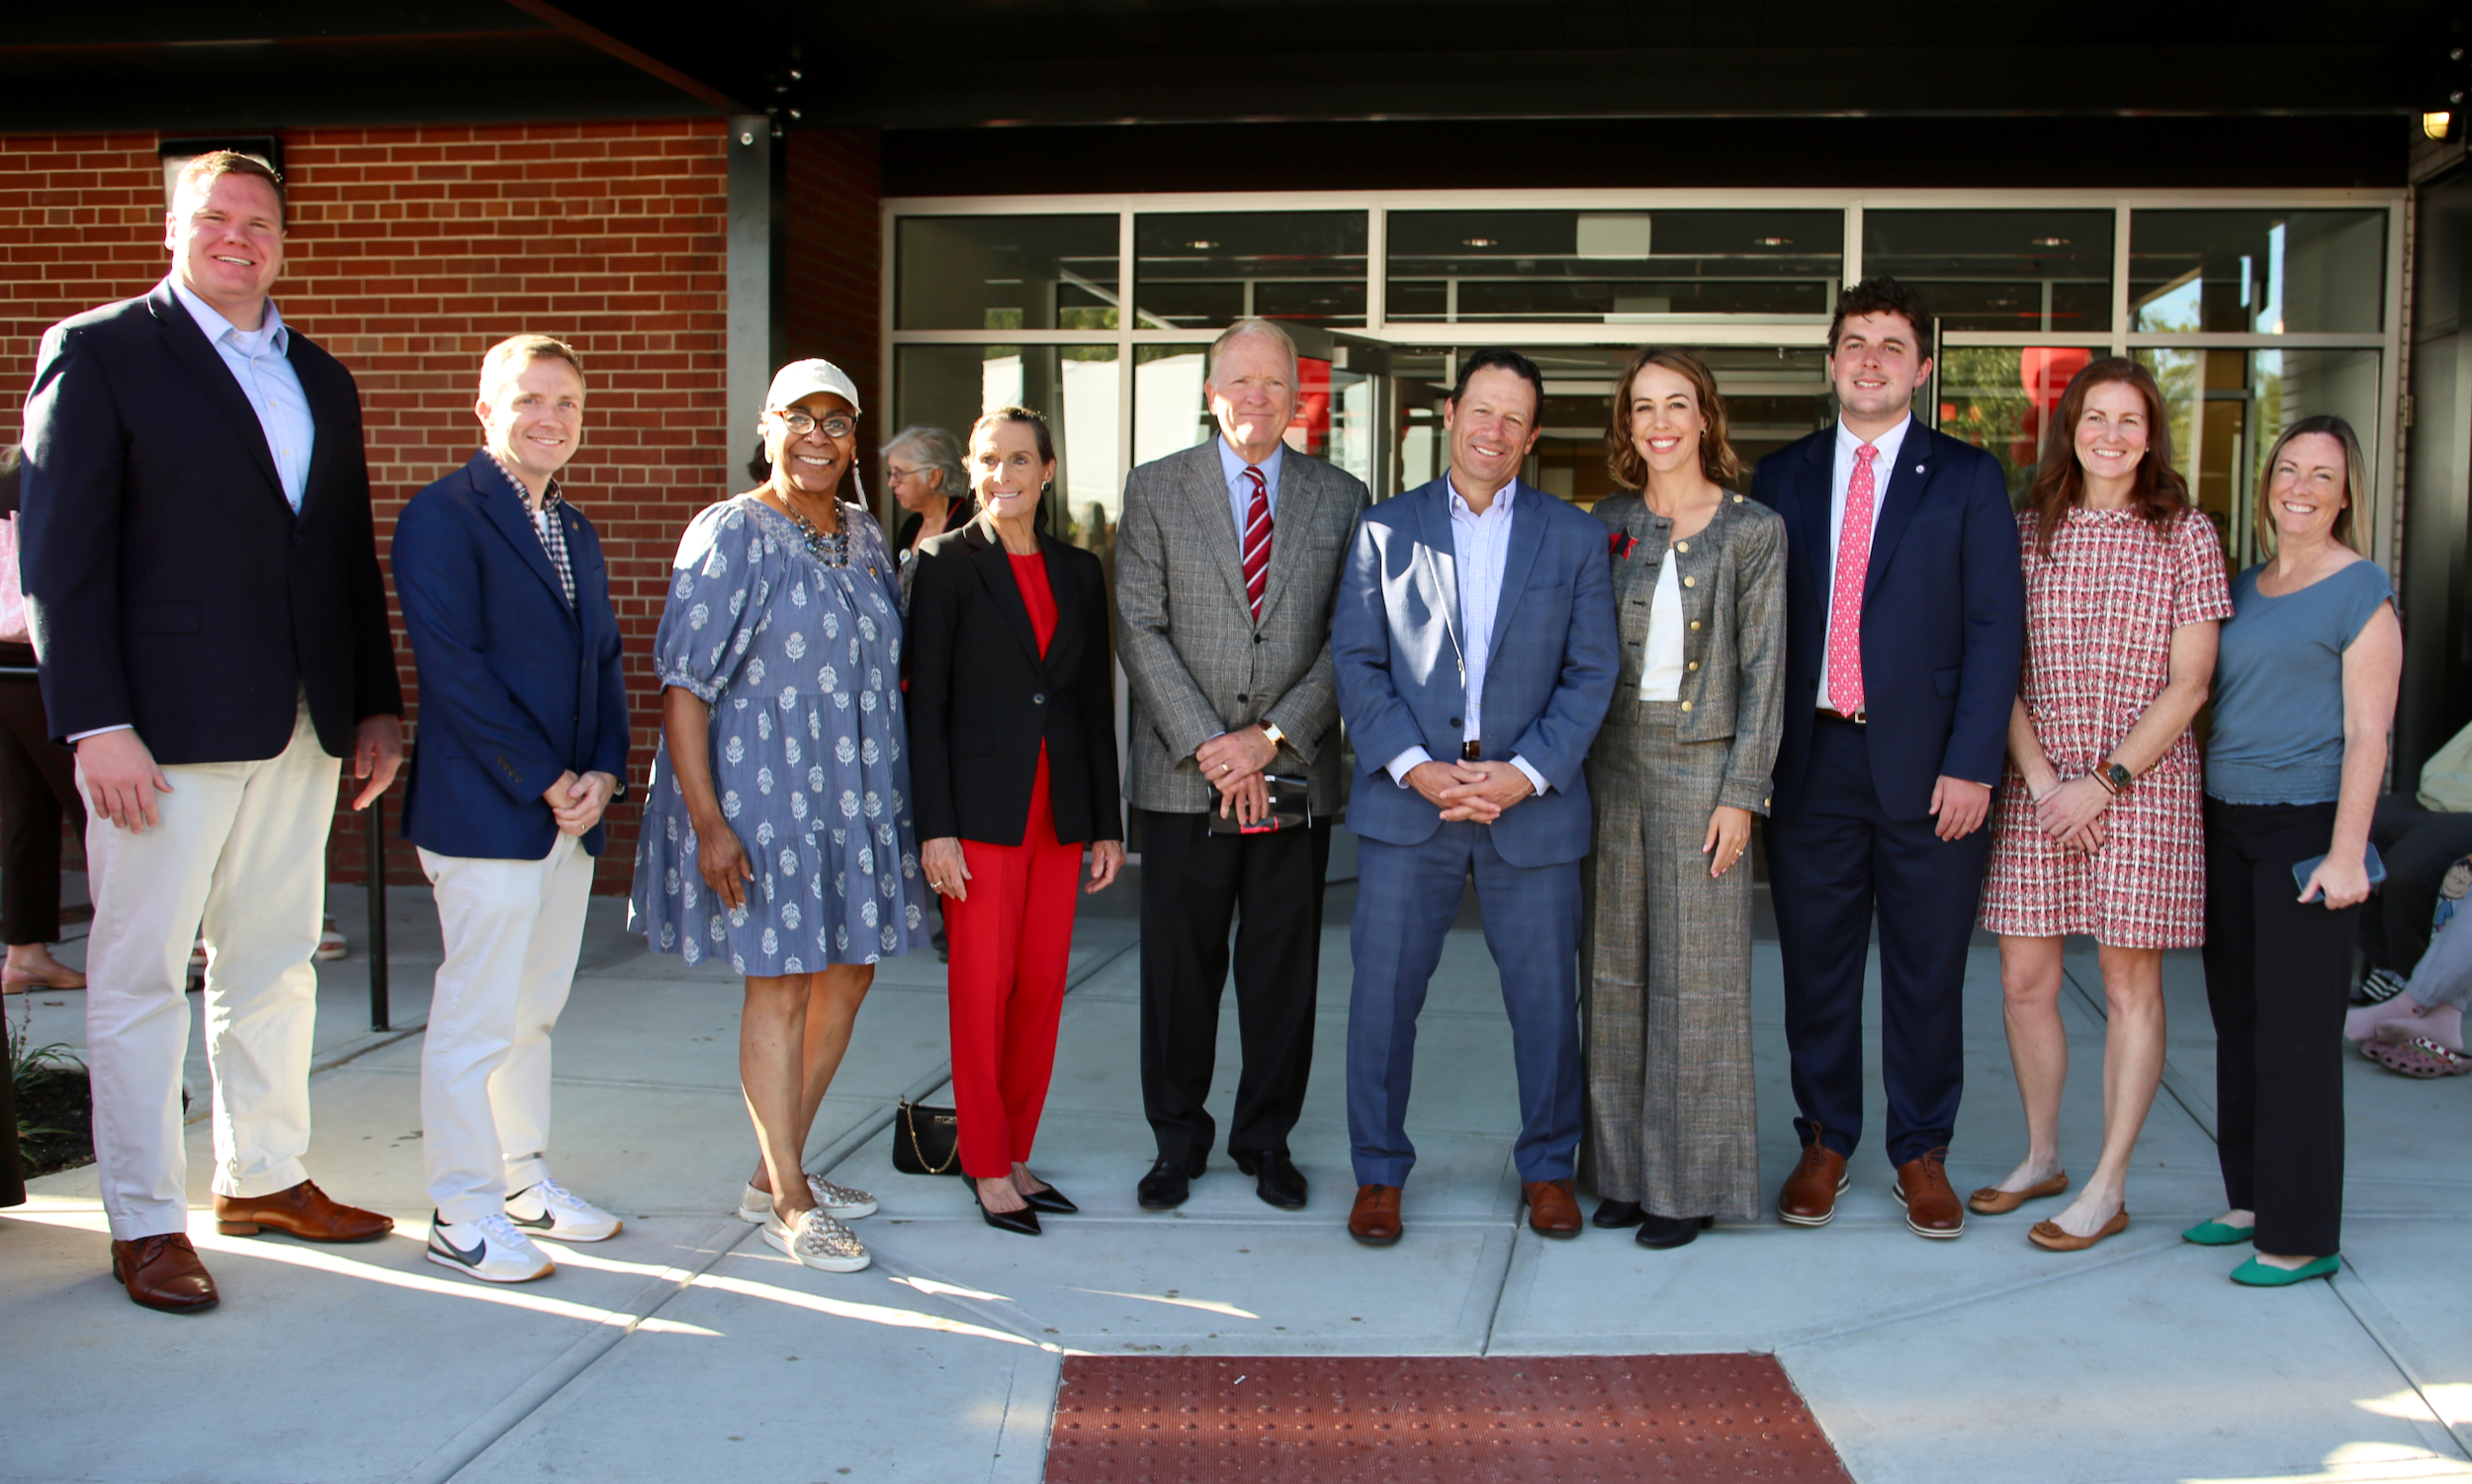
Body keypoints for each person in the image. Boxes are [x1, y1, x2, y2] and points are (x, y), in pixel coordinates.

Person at [20, 150, 405, 1314]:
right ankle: (142, 1217)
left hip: (300, 721)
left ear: (284, 239)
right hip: (160, 730)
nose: (241, 238)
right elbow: (60, 555)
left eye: (261, 222)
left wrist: (374, 702)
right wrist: (95, 722)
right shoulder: (101, 349)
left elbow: (339, 550)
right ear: (175, 228)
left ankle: (266, 1177)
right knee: (140, 979)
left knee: (275, 960)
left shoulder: (320, 374)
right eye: (216, 217)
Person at [631, 358, 925, 1275]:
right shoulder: (731, 532)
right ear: (768, 426)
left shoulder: (866, 535)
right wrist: (709, 822)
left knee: (850, 975)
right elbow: (685, 685)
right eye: (800, 417)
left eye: (838, 422)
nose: (818, 437)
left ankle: (774, 1167)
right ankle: (791, 1202)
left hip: (857, 794)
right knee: (784, 984)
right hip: (766, 798)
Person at [1750, 277, 2025, 1241]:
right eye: (1854, 343)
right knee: (1815, 969)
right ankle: (1824, 1140)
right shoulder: (1779, 477)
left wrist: (1974, 764)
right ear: (1831, 363)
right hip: (1811, 760)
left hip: (1930, 769)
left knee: (1924, 970)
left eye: (1890, 344)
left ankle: (1920, 1151)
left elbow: (1995, 630)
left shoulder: (1965, 476)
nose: (1870, 359)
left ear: (1921, 367)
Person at [1331, 349, 1619, 1247]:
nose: (1493, 431)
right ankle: (1378, 1173)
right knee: (1381, 1001)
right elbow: (1357, 662)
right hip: (1408, 807)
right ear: (1450, 415)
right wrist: (1415, 766)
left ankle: (1547, 1166)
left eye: (1513, 420)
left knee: (1544, 1004)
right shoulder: (1384, 529)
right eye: (1480, 411)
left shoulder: (1571, 536)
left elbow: (1591, 670)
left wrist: (1524, 773)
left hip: (1529, 810)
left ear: (1531, 438)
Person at [1973, 359, 2231, 1252]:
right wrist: (2046, 780)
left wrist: (2103, 781)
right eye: (2096, 417)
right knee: (2024, 980)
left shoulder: (2186, 534)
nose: (2112, 434)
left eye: (2131, 420)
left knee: (2129, 988)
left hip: (2142, 790)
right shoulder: (2021, 530)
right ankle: (2042, 1154)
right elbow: (1995, 667)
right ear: (2070, 428)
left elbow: (2191, 682)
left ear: (2152, 435)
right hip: (2040, 787)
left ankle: (2108, 1182)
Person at [1114, 318, 1370, 1213]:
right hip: (1185, 779)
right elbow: (1137, 626)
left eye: (1275, 382)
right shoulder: (1154, 489)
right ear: (1210, 391)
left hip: (1293, 776)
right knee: (1180, 977)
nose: (1256, 397)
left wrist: (1268, 738)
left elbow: (1354, 637)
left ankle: (1267, 1140)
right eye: (1239, 381)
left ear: (1298, 395)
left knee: (1280, 974)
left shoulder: (1343, 496)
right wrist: (1213, 746)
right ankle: (1176, 1142)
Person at [392, 335, 631, 1283]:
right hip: (486, 811)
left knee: (532, 1014)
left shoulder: (572, 529)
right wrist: (543, 778)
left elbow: (604, 663)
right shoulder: (444, 516)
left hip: (569, 816)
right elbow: (455, 670)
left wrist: (605, 773)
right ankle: (460, 1207)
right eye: (529, 398)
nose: (550, 417)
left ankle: (522, 1179)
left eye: (567, 402)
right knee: (476, 1017)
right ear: (485, 408)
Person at [1579, 348, 1784, 1250]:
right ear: (1626, 425)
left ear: (1706, 416)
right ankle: (1622, 1172)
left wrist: (1743, 792)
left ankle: (1688, 1183)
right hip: (1609, 761)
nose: (1659, 422)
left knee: (1696, 980)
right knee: (1614, 971)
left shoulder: (1754, 529)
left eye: (1676, 405)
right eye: (1642, 408)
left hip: (1703, 764)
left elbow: (1767, 671)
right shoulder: (1607, 522)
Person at [2191, 415, 2400, 1286]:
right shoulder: (2246, 584)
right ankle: (2250, 1198)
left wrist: (2346, 853)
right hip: (2226, 823)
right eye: (2288, 470)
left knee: (2297, 1038)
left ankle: (2303, 1232)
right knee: (2238, 1024)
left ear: (2346, 492)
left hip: (2308, 830)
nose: (2302, 486)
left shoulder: (2363, 593)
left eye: (2322, 474)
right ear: (2268, 482)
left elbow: (2369, 733)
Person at [909, 406, 1124, 1237]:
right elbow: (924, 708)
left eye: (1021, 460)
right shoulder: (944, 564)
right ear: (971, 468)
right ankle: (985, 1164)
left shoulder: (1078, 570)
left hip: (1059, 815)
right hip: (980, 819)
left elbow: (1086, 705)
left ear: (1048, 468)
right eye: (990, 461)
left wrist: (1106, 821)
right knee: (980, 989)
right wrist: (937, 827)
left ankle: (1018, 1151)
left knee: (1038, 991)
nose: (1005, 475)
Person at [0, 447, 86, 995]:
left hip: (6, 661)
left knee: (23, 806)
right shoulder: (54, 471)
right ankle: (136, 955)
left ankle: (25, 953)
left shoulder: (10, 471)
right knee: (99, 806)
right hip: (36, 657)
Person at [885, 424, 967, 609]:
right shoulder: (911, 526)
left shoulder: (968, 525)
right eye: (891, 473)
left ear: (934, 477)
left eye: (899, 474)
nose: (891, 482)